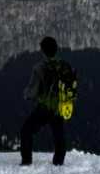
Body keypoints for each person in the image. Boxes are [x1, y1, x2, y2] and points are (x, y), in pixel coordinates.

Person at [19, 35, 67, 166]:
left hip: (44, 108)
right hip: (60, 107)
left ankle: (26, 161)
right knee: (58, 135)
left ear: (43, 51)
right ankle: (59, 162)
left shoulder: (40, 68)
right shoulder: (63, 66)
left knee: (26, 130)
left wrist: (26, 94)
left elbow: (32, 91)